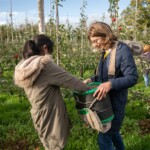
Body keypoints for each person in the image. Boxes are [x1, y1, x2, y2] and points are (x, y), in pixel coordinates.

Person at [14, 34, 90, 150]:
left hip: (38, 113)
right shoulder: (44, 66)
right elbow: (70, 81)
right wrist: (92, 89)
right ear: (45, 48)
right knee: (56, 146)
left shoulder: (26, 66)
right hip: (51, 114)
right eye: (50, 50)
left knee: (49, 145)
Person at [84, 22, 138, 150]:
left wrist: (110, 84)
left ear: (105, 36)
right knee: (113, 134)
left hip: (116, 103)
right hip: (106, 104)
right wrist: (91, 79)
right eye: (93, 41)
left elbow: (132, 77)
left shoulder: (121, 50)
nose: (94, 44)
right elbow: (105, 76)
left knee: (104, 138)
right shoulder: (106, 51)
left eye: (96, 40)